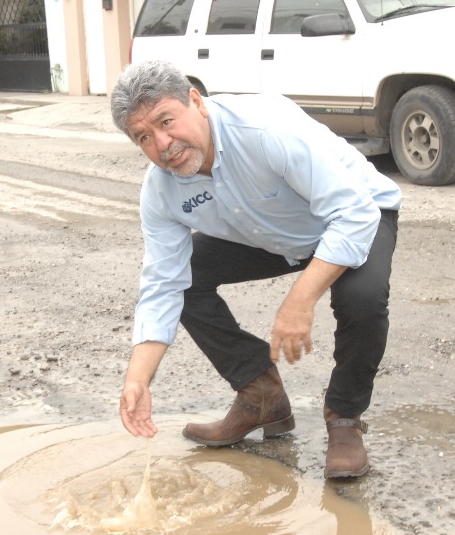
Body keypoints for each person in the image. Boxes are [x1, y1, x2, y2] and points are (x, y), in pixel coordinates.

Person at [111, 60, 401, 479]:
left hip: (355, 214)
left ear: (196, 101)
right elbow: (162, 284)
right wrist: (137, 379)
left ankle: (344, 419)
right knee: (187, 279)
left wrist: (300, 300)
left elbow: (353, 214)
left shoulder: (265, 129)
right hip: (272, 237)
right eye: (144, 137)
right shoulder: (160, 191)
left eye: (166, 121)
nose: (163, 143)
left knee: (362, 297)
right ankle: (261, 396)